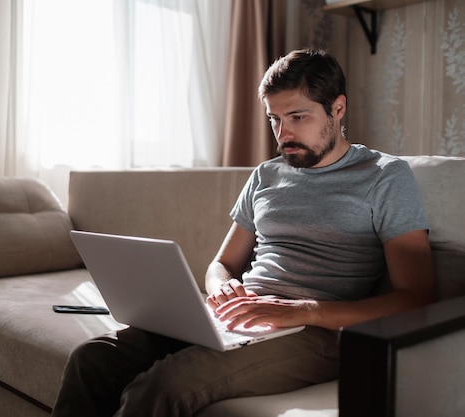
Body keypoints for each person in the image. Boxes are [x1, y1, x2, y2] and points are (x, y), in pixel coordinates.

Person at [51, 48, 434, 417]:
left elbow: (416, 297)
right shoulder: (266, 175)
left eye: (298, 117)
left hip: (317, 330)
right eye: (274, 119)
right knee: (93, 358)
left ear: (337, 108)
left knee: (162, 387)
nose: (283, 134)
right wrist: (222, 288)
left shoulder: (385, 176)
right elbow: (222, 263)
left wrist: (306, 310)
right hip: (242, 315)